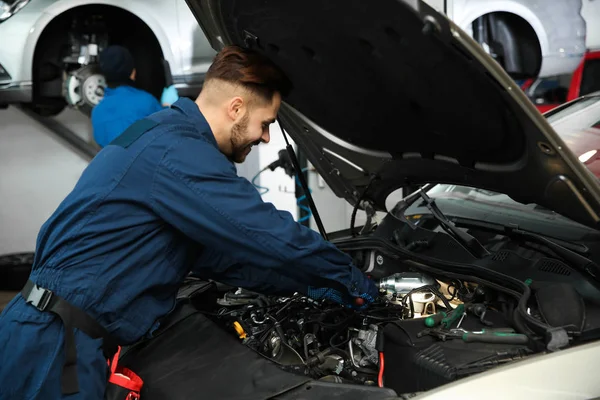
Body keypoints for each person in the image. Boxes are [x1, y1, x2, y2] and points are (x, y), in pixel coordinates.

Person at [0, 45, 379, 399]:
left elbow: (224, 260)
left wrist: (311, 287)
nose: (265, 137)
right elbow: (264, 230)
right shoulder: (178, 152)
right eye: (265, 123)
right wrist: (351, 278)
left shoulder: (167, 135)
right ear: (236, 108)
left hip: (64, 337)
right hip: (50, 345)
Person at [91, 45, 179, 147]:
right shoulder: (146, 101)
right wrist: (168, 106)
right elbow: (168, 130)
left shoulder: (96, 112)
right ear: (133, 73)